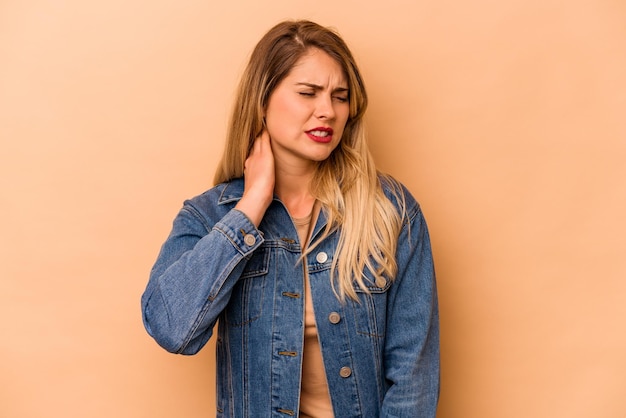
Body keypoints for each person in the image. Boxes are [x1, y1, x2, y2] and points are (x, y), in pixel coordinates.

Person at [141, 19, 439, 417]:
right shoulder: (211, 215)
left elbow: (413, 376)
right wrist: (250, 208)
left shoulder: (392, 211)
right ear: (262, 100)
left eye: (340, 96)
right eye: (308, 93)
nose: (327, 111)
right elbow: (171, 328)